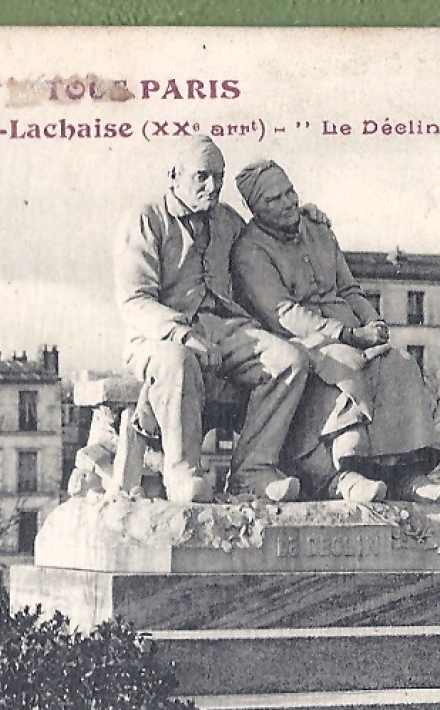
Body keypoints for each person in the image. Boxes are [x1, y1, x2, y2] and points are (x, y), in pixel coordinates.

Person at [229, 159, 440, 503]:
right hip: (303, 340)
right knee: (348, 365)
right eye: (274, 200)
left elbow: (349, 288)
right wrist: (348, 335)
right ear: (255, 208)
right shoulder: (249, 251)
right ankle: (344, 474)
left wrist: (373, 323)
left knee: (399, 363)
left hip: (352, 331)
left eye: (290, 192)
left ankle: (406, 473)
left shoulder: (318, 229)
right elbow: (283, 313)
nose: (287, 203)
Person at [114, 137, 310, 503]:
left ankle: (252, 471)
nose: (213, 186)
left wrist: (306, 218)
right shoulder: (147, 219)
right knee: (177, 361)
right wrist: (183, 334)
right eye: (202, 177)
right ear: (174, 176)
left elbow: (275, 236)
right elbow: (134, 299)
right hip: (157, 337)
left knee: (290, 361)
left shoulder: (229, 222)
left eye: (218, 177)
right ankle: (183, 473)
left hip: (227, 330)